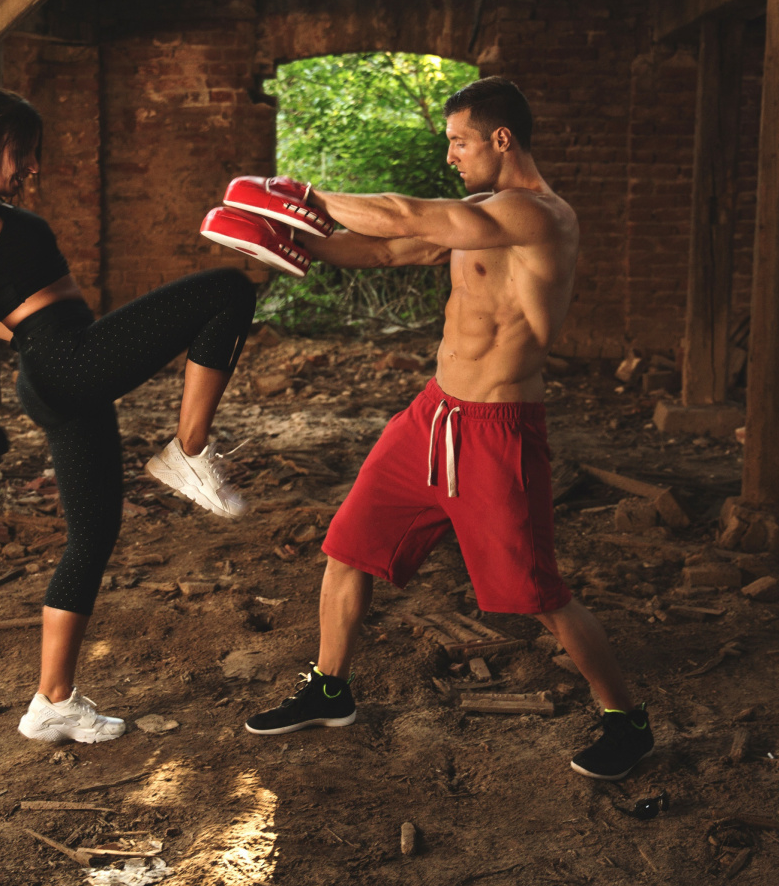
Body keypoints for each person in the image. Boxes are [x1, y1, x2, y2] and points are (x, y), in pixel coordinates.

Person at [239, 76, 654, 781]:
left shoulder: (539, 217)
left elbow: (408, 216)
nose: (452, 157)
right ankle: (329, 688)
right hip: (432, 416)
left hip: (498, 432)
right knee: (348, 546)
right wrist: (293, 244)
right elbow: (392, 250)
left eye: (459, 142)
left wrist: (302, 197)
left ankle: (627, 720)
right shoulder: (483, 212)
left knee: (539, 594)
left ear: (502, 139)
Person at [0, 89, 257, 745]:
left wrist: (27, 343)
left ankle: (52, 703)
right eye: (23, 155)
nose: (30, 169)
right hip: (66, 361)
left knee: (93, 535)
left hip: (58, 365)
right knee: (230, 290)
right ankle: (188, 448)